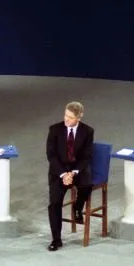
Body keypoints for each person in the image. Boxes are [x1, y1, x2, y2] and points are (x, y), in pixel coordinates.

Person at [46, 101, 94, 251]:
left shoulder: (87, 131)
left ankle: (78, 207)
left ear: (79, 118)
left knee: (86, 185)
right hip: (59, 170)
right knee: (54, 203)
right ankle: (56, 239)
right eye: (65, 115)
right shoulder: (55, 129)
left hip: (77, 170)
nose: (66, 119)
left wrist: (73, 173)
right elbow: (51, 155)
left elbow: (86, 157)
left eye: (71, 117)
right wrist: (63, 174)